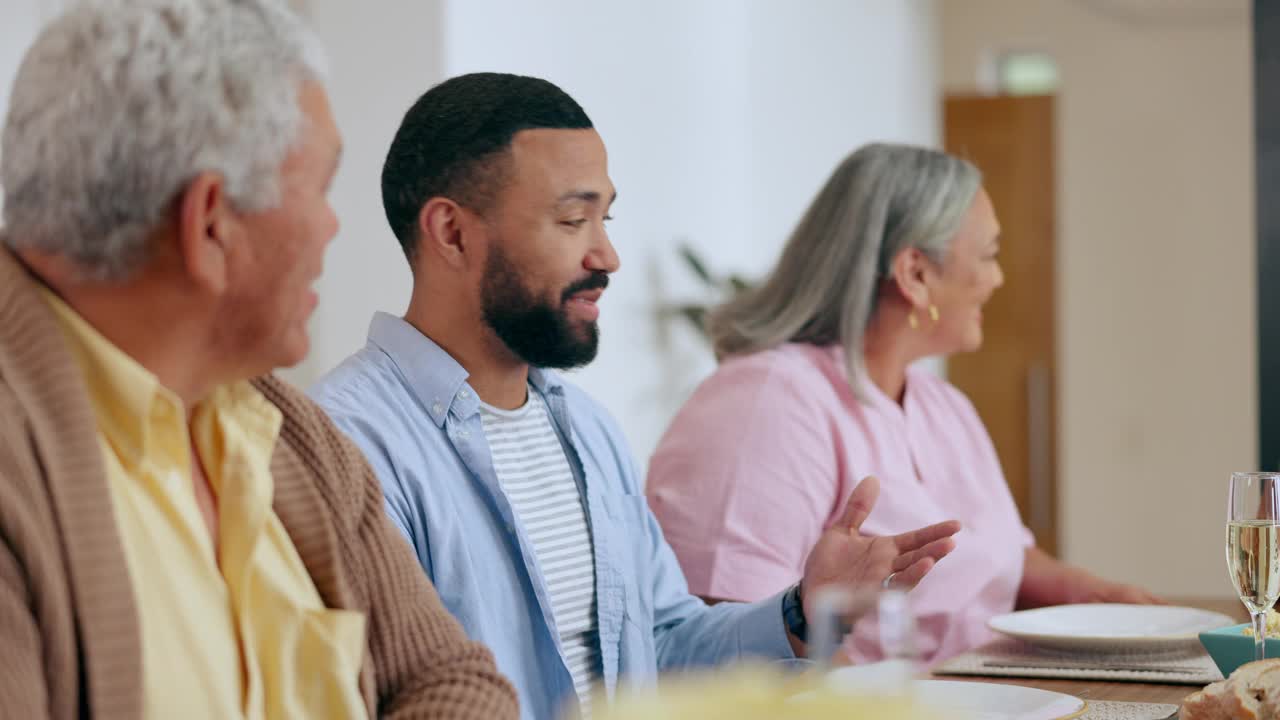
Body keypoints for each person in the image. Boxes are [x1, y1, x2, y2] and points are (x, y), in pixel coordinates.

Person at [310, 72, 961, 720]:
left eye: (606, 217)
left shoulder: (587, 430)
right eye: (573, 219)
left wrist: (802, 610)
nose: (608, 254)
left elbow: (664, 645)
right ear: (452, 233)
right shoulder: (346, 446)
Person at [0, 2, 517, 718]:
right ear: (211, 223)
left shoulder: (289, 432)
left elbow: (460, 683)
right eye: (323, 188)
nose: (333, 227)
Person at [645, 143, 1162, 664]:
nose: (997, 279)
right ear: (915, 274)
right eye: (988, 255)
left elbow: (1002, 555)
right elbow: (729, 634)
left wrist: (1098, 596)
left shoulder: (943, 406)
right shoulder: (765, 401)